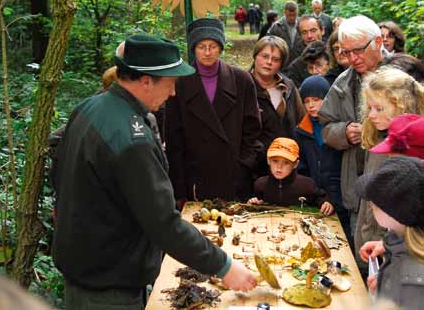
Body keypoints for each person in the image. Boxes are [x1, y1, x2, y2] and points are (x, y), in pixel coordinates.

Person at [52, 34, 257, 310]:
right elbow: (163, 222)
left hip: (85, 267)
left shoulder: (90, 107)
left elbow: (59, 174)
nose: (173, 93)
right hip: (108, 284)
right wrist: (225, 266)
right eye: (171, 83)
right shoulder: (129, 138)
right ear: (146, 81)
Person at [165, 18, 261, 204]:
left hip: (233, 175)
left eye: (213, 46)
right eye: (202, 46)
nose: (207, 52)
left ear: (221, 48)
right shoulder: (179, 83)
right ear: (193, 48)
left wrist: (244, 165)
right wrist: (179, 189)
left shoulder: (241, 80)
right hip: (195, 177)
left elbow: (253, 128)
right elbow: (173, 137)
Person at [318, 15, 387, 240]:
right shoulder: (343, 83)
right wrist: (345, 132)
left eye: (357, 50)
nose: (352, 58)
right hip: (356, 187)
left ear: (378, 41)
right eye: (346, 52)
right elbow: (326, 127)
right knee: (363, 254)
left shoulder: (403, 76)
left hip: (393, 185)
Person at [355, 66, 424, 277]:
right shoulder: (382, 139)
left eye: (379, 109)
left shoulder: (411, 149)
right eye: (370, 109)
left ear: (401, 106)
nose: (372, 115)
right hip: (385, 240)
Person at [355, 156, 424, 309]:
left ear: (392, 214)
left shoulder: (413, 281)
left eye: (373, 204)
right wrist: (385, 285)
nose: (371, 206)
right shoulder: (403, 238)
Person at [249, 35, 305, 176]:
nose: (269, 62)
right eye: (264, 56)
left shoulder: (288, 86)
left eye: (275, 59)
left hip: (286, 163)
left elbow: (302, 121)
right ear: (255, 57)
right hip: (253, 164)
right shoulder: (243, 85)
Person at [248, 137, 334, 216]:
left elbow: (320, 197)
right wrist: (253, 203)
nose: (279, 167)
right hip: (269, 227)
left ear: (295, 164)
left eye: (286, 163)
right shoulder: (260, 184)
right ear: (268, 160)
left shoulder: (307, 185)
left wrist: (326, 203)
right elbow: (254, 204)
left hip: (298, 228)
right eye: (275, 161)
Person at [295, 75, 331, 187]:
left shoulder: (337, 126)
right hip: (312, 189)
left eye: (316, 100)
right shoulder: (300, 131)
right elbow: (301, 165)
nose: (311, 105)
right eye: (306, 101)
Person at [286, 15, 325, 87]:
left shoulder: (334, 57)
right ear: (300, 35)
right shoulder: (295, 67)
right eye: (304, 32)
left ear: (322, 30)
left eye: (313, 30)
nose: (309, 36)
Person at [267, 1, 302, 67]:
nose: (292, 18)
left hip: (300, 65)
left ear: (297, 12)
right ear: (285, 12)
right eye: (289, 15)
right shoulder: (276, 26)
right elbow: (268, 44)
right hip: (282, 64)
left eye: (294, 15)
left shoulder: (303, 24)